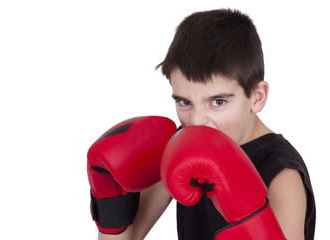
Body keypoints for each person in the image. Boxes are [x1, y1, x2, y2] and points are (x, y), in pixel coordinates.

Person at [91, 8, 316, 240]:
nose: (197, 121)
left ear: (257, 97)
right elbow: (130, 236)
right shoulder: (181, 146)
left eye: (217, 102)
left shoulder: (282, 173)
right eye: (185, 102)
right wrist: (111, 205)